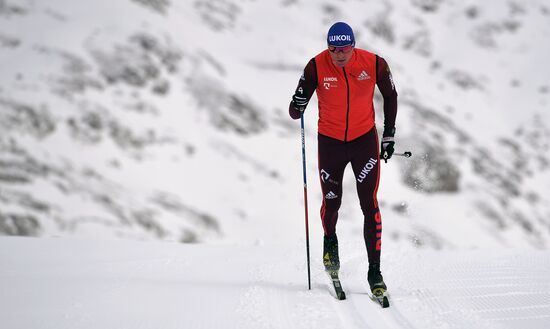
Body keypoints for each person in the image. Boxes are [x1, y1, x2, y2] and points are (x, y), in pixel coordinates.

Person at [288, 22, 398, 295]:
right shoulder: (316, 66)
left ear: (353, 46)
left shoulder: (374, 64)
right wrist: (298, 101)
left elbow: (390, 95)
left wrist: (389, 135)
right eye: (333, 49)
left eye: (344, 49)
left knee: (369, 204)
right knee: (332, 202)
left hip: (363, 141)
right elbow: (294, 111)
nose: (338, 55)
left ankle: (375, 271)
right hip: (331, 143)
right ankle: (330, 242)